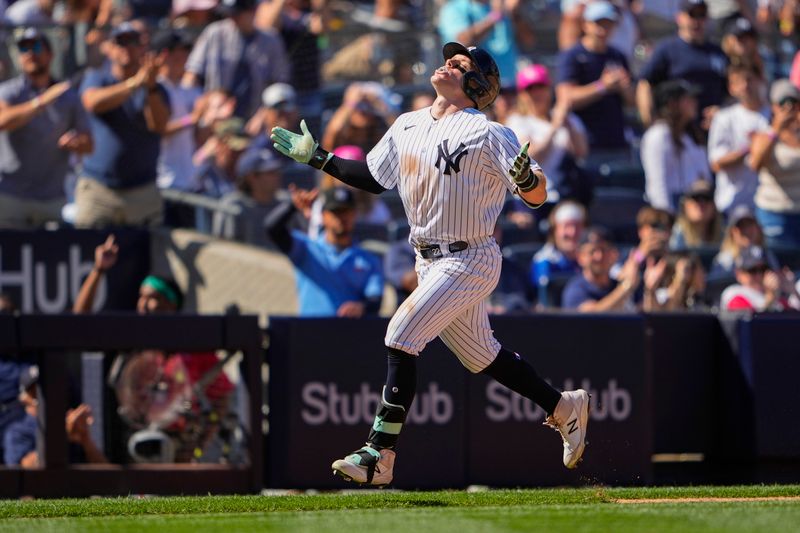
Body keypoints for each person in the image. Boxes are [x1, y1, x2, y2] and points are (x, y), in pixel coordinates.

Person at [270, 42, 591, 485]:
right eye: (450, 58)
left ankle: (378, 454)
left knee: (400, 334)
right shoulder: (408, 123)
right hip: (427, 258)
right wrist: (319, 157)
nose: (447, 63)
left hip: (470, 256)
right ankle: (562, 406)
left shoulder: (488, 131)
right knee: (481, 355)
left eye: (460, 64)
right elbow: (373, 176)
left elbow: (537, 195)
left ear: (478, 84)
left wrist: (526, 179)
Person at [77, 22, 170, 228]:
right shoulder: (97, 77)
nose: (127, 47)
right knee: (87, 253)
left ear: (143, 48)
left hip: (143, 192)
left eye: (134, 42)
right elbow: (93, 103)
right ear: (109, 48)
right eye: (121, 42)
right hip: (99, 191)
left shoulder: (156, 87)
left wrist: (150, 87)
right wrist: (134, 83)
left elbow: (159, 126)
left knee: (147, 257)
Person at [0, 27, 93, 228]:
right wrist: (41, 102)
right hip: (10, 196)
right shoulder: (9, 91)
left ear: (50, 54)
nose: (30, 53)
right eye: (23, 48)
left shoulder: (68, 96)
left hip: (51, 198)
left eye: (36, 46)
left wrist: (77, 143)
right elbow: (3, 121)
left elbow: (89, 145)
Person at [265, 186, 385, 317]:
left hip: (349, 332)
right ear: (323, 216)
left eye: (346, 211)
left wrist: (361, 307)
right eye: (335, 212)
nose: (341, 217)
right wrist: (291, 206)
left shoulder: (368, 260)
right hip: (310, 332)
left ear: (354, 215)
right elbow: (272, 229)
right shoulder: (306, 249)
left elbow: (375, 300)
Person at [182, 0, 290, 120]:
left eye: (237, 14)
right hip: (215, 116)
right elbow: (192, 73)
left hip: (255, 118)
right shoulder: (215, 32)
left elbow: (280, 82)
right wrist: (191, 108)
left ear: (252, 11)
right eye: (229, 14)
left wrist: (262, 115)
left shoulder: (271, 40)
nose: (232, 18)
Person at [636, 0, 729, 133]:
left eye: (701, 15)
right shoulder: (668, 48)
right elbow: (645, 83)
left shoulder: (717, 52)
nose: (697, 21)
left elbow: (732, 90)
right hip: (678, 132)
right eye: (692, 15)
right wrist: (650, 121)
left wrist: (722, 112)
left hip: (714, 130)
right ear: (679, 17)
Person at [506, 64, 590, 208]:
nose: (536, 93)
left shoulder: (567, 118)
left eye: (541, 87)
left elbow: (582, 152)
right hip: (531, 199)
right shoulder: (517, 121)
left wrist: (566, 121)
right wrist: (554, 127)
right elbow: (530, 156)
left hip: (563, 195)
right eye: (530, 89)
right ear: (522, 94)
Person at [555, 0, 634, 152]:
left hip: (616, 142)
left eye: (608, 24)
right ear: (585, 24)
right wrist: (603, 86)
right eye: (598, 23)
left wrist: (625, 87)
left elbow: (632, 101)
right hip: (585, 144)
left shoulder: (617, 56)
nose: (603, 29)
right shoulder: (572, 55)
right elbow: (566, 98)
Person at [3, 365, 108, 467]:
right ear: (24, 398)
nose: (45, 396)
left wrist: (86, 440)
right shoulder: (17, 431)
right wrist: (62, 437)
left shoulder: (69, 422)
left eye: (51, 388)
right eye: (35, 392)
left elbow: (106, 475)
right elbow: (28, 465)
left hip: (76, 484)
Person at [707, 63, 770, 216]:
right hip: (731, 206)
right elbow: (716, 163)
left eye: (749, 79)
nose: (746, 86)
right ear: (731, 88)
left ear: (761, 80)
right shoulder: (724, 118)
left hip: (769, 206)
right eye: (739, 82)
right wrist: (751, 148)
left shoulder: (775, 116)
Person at [641, 79, 712, 212]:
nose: (694, 103)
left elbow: (705, 179)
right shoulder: (657, 135)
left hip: (698, 208)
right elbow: (657, 184)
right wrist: (666, 218)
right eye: (688, 99)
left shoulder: (691, 135)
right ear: (672, 104)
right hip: (674, 209)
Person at [749, 78, 800, 247]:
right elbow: (755, 164)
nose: (788, 108)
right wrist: (776, 129)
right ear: (773, 107)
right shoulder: (764, 134)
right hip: (774, 213)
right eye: (782, 103)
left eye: (793, 102)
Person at [437, 0, 535, 88]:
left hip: (509, 85)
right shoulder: (453, 8)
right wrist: (495, 16)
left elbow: (529, 41)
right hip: (476, 88)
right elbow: (463, 41)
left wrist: (514, 14)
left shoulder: (505, 7)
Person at [212, 147, 285, 247]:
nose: (277, 176)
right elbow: (227, 249)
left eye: (276, 171)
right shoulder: (234, 206)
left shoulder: (285, 204)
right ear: (252, 177)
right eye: (270, 173)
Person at [561, 225, 639, 311]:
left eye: (603, 250)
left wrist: (650, 290)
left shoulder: (618, 284)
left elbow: (647, 314)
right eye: (592, 251)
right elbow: (593, 317)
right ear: (580, 257)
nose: (599, 256)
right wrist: (626, 287)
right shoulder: (575, 289)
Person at [530, 200, 586, 308]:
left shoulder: (593, 258)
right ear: (554, 229)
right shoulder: (543, 261)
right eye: (566, 226)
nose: (572, 232)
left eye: (577, 226)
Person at [720, 244, 799, 311]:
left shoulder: (778, 297)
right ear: (739, 274)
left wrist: (793, 291)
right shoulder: (735, 295)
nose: (759, 275)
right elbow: (753, 324)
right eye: (752, 270)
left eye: (763, 269)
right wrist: (770, 298)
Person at [710, 205, 781, 275]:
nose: (747, 230)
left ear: (758, 228)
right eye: (742, 226)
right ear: (733, 232)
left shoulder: (767, 256)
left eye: (750, 225)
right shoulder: (724, 261)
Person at [669, 180, 724, 249]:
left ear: (714, 206)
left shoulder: (724, 235)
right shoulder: (676, 233)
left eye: (707, 198)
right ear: (685, 205)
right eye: (696, 198)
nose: (701, 203)